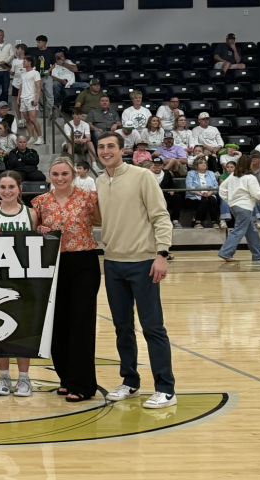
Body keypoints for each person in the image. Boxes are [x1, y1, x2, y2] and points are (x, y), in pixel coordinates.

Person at [95, 131, 177, 408]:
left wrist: (162, 254)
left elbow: (160, 216)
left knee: (153, 327)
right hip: (113, 263)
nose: (106, 151)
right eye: (101, 147)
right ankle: (130, 382)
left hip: (143, 262)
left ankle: (165, 387)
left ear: (122, 150)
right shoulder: (99, 180)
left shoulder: (142, 176)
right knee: (122, 327)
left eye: (111, 147)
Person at [30, 157, 102, 401]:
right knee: (57, 323)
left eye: (64, 174)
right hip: (52, 265)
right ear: (49, 175)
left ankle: (82, 384)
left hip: (83, 262)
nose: (60, 178)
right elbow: (32, 231)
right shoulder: (40, 202)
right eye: (55, 174)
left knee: (81, 323)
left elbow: (102, 220)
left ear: (73, 174)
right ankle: (65, 378)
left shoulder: (88, 197)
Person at [0, 170, 38, 395]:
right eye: (3, 187)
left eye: (11, 187)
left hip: (24, 280)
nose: (7, 191)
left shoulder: (30, 214)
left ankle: (24, 378)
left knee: (23, 329)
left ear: (20, 188)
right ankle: (3, 378)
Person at [217, 155, 260, 262]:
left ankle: (258, 254)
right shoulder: (250, 177)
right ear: (249, 164)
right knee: (239, 230)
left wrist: (229, 200)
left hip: (235, 207)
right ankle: (225, 252)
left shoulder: (232, 176)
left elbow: (222, 188)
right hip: (245, 207)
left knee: (251, 231)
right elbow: (257, 193)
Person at [17, 56, 42, 145]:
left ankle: (40, 137)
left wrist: (36, 99)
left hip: (31, 97)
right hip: (23, 98)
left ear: (29, 62)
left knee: (32, 119)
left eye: (25, 61)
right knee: (27, 119)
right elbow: (21, 87)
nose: (23, 63)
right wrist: (18, 98)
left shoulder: (35, 73)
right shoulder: (23, 74)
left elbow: (38, 87)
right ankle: (31, 137)